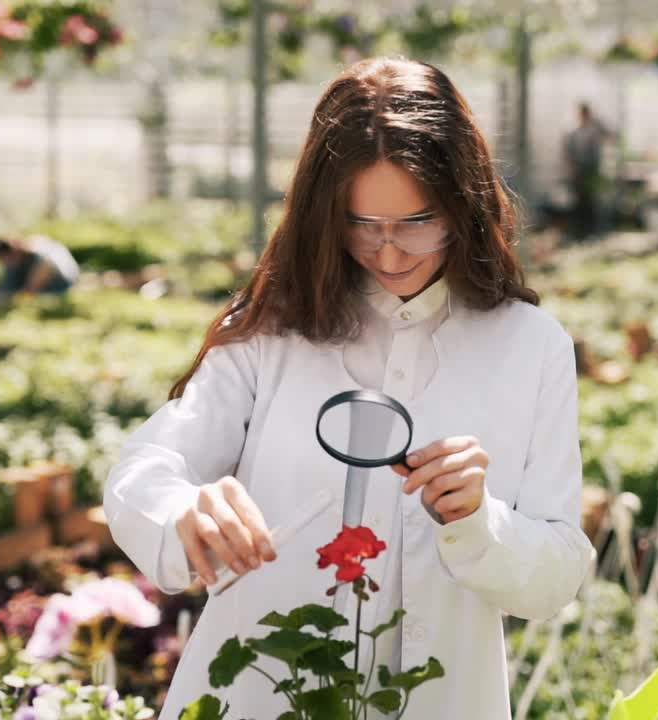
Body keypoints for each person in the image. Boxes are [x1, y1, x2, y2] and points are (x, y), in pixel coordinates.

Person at [104, 58, 593, 720]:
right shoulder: (272, 330)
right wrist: (184, 509)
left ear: (465, 203)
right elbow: (150, 465)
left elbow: (558, 573)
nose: (389, 253)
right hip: (260, 695)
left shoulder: (528, 346)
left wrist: (480, 524)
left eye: (417, 222)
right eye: (363, 226)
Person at [563, 102, 613, 240]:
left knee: (591, 201)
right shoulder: (573, 131)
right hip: (579, 171)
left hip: (591, 171)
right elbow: (569, 154)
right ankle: (578, 232)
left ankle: (591, 231)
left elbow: (610, 135)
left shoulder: (594, 130)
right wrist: (572, 171)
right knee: (578, 202)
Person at [0, 233, 79, 303]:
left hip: (60, 288)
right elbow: (5, 286)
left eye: (6, 259)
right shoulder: (16, 261)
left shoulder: (42, 259)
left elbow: (29, 293)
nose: (5, 264)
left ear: (15, 251)